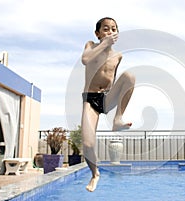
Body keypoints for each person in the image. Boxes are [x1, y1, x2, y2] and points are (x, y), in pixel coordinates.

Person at [81, 17, 135, 192]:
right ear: (97, 34)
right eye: (105, 29)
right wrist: (104, 44)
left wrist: (113, 94)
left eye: (113, 29)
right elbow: (85, 60)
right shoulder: (91, 46)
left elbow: (112, 76)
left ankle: (117, 119)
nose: (110, 32)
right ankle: (95, 174)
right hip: (90, 99)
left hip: (106, 97)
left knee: (130, 77)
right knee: (88, 144)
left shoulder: (118, 56)